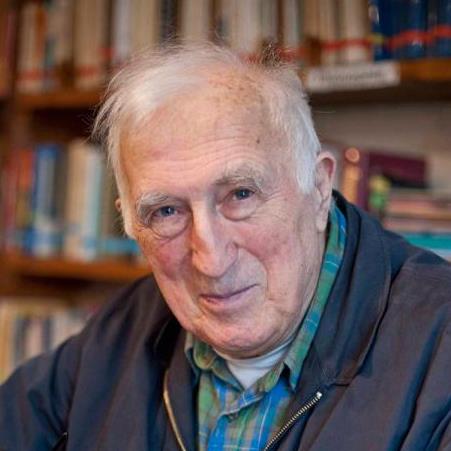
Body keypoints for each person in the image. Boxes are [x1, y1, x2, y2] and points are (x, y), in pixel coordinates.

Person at [1, 43, 451, 451]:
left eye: (240, 194)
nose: (212, 261)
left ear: (318, 188)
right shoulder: (121, 332)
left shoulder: (439, 350)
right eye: (166, 211)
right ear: (131, 224)